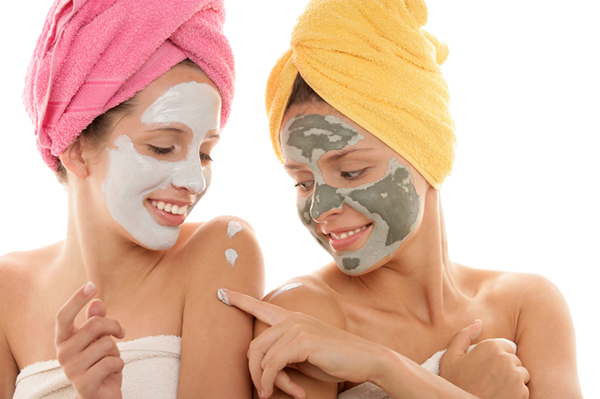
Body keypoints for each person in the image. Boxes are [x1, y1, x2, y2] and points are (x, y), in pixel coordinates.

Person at [218, 0, 582, 398]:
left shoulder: (526, 305)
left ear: (428, 156)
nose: (320, 208)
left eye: (352, 171)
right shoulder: (303, 316)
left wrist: (383, 367)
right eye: (303, 183)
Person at [0, 0, 263, 397]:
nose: (194, 179)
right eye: (161, 147)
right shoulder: (7, 293)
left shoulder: (220, 253)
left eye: (205, 153)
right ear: (75, 147)